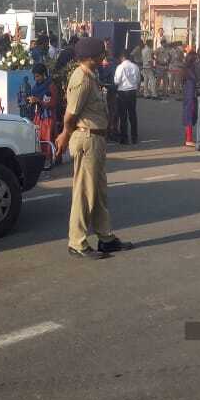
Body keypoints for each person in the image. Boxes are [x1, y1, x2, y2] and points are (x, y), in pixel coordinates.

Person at [55, 37, 134, 260]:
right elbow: (70, 114)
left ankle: (106, 239)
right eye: (101, 53)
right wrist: (64, 134)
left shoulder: (91, 75)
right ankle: (77, 242)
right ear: (90, 57)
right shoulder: (81, 78)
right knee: (84, 192)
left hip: (96, 139)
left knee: (98, 192)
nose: (104, 56)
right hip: (86, 138)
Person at [28, 63, 58, 170]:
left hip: (47, 117)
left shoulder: (50, 86)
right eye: (35, 77)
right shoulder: (36, 87)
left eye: (38, 76)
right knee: (38, 138)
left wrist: (38, 101)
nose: (36, 79)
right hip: (38, 116)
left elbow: (52, 103)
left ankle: (49, 159)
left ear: (44, 75)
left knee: (47, 137)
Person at [113, 49, 140, 145]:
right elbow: (138, 80)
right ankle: (134, 137)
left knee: (123, 116)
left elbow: (117, 81)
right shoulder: (135, 66)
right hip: (132, 92)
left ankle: (124, 138)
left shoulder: (120, 67)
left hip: (122, 93)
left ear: (122, 57)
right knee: (133, 115)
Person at [181, 51, 198, 147]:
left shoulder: (186, 69)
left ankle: (188, 138)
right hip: (191, 95)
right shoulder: (191, 69)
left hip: (187, 95)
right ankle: (189, 139)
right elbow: (195, 80)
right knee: (190, 117)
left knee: (188, 116)